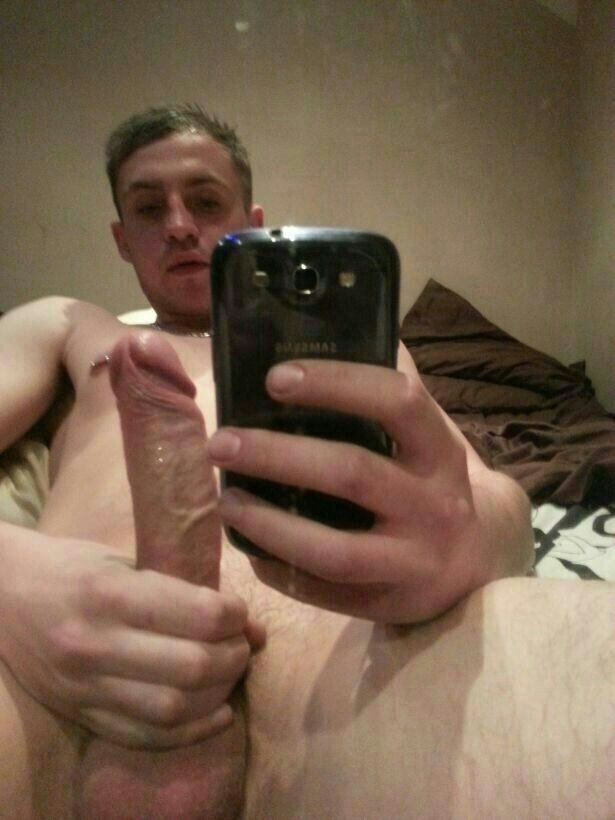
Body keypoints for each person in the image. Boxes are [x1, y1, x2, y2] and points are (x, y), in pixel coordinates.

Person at [0, 104, 612, 819]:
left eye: (205, 201)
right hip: (65, 665)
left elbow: (488, 498)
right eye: (148, 207)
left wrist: (477, 540)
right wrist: (12, 580)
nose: (178, 225)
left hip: (348, 663)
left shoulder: (352, 341)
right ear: (121, 239)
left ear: (252, 221)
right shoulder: (68, 325)